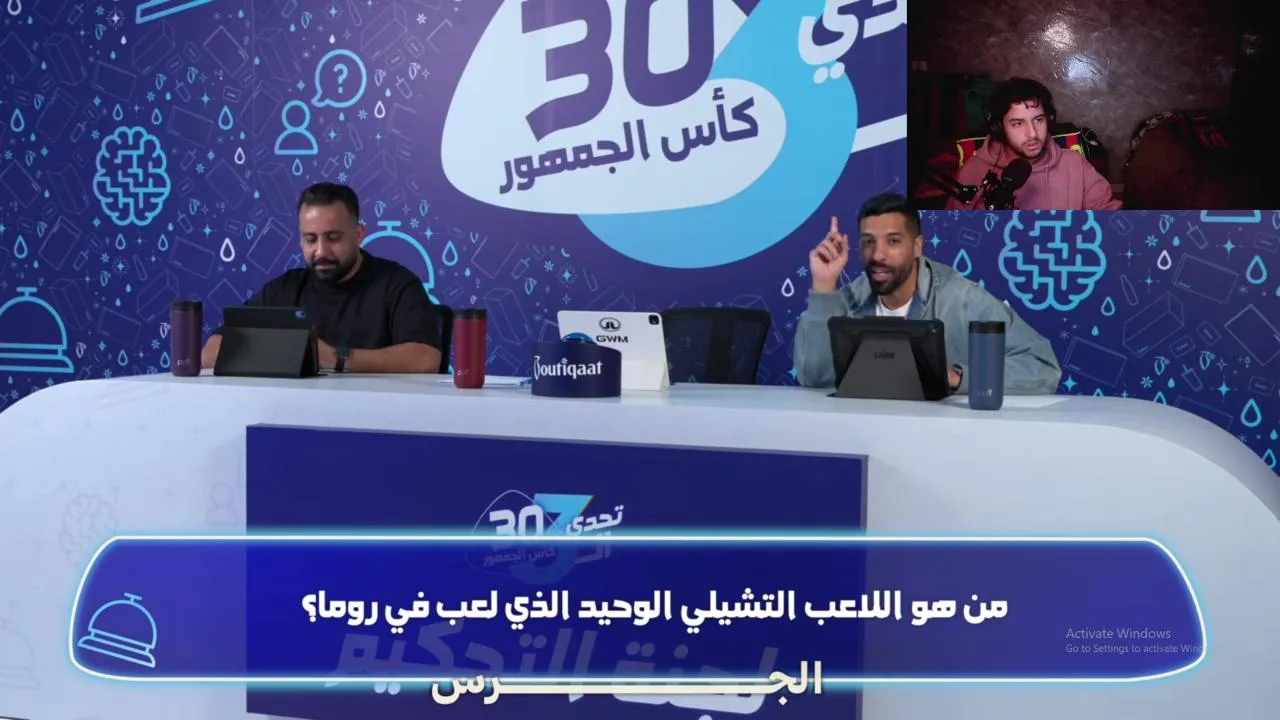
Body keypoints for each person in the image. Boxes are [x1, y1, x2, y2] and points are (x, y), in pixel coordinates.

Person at [793, 193, 1062, 394]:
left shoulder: (962, 300)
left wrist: (957, 377)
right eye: (868, 242)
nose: (878, 255)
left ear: (917, 246)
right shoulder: (849, 299)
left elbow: (1043, 367)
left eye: (893, 241)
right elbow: (813, 377)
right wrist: (824, 285)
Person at [201, 183, 443, 373]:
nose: (321, 251)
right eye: (310, 239)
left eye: (333, 238)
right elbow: (211, 352)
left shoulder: (397, 284)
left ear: (358, 234)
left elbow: (426, 359)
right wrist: (290, 355)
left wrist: (338, 358)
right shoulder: (285, 289)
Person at [946, 78, 1121, 211]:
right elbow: (954, 233)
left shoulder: (1074, 164)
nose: (1032, 134)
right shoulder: (973, 170)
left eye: (1038, 120)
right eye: (1018, 123)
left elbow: (1109, 218)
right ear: (999, 128)